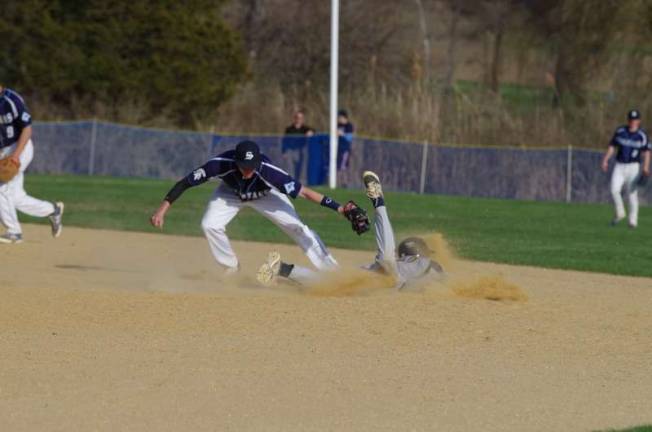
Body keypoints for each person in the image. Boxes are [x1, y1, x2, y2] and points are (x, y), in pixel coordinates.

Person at [150, 140, 355, 273]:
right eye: (244, 167)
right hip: (230, 193)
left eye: (252, 167)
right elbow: (186, 182)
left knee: (298, 227)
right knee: (209, 224)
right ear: (236, 161)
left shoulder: (269, 171)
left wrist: (338, 208)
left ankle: (331, 272)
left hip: (267, 195)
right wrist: (162, 209)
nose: (248, 171)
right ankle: (231, 267)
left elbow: (305, 192)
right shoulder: (219, 164)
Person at [256, 171, 444, 290]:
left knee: (332, 281)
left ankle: (282, 269)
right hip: (389, 277)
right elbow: (438, 276)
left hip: (371, 282)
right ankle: (378, 201)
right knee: (387, 262)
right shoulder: (422, 264)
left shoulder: (410, 267)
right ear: (414, 255)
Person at [0, 86, 64, 244]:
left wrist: (16, 155)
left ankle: (14, 232)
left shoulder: (11, 100)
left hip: (20, 147)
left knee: (2, 188)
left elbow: (27, 129)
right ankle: (52, 210)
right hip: (4, 151)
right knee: (15, 197)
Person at [601, 109, 651, 228]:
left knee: (632, 193)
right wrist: (605, 159)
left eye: (635, 120)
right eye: (631, 119)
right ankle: (620, 212)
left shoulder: (642, 136)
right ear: (628, 120)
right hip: (620, 165)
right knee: (614, 189)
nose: (633, 122)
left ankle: (633, 221)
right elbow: (612, 146)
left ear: (639, 121)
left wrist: (646, 167)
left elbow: (647, 152)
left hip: (633, 167)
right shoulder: (620, 131)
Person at [283, 110, 314, 180]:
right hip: (290, 150)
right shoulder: (289, 129)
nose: (299, 119)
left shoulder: (305, 129)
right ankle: (291, 182)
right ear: (295, 118)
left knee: (301, 169)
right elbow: (284, 141)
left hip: (301, 151)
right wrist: (284, 151)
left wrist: (311, 132)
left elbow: (314, 131)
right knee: (290, 168)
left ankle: (300, 183)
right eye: (297, 117)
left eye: (301, 118)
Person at [336, 109, 354, 184]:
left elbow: (349, 138)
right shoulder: (337, 125)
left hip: (345, 149)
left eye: (340, 117)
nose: (338, 119)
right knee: (338, 166)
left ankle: (344, 182)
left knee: (343, 166)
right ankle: (338, 182)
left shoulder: (349, 126)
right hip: (338, 149)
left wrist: (342, 134)